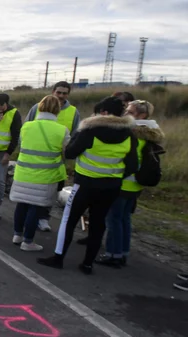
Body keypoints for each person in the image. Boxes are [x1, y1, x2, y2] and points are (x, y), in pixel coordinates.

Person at [38, 96, 138, 274]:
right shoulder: (129, 134)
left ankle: (59, 258)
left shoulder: (90, 130)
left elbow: (70, 152)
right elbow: (131, 166)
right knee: (98, 224)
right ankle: (88, 263)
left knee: (69, 221)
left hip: (84, 184)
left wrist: (77, 134)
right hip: (111, 187)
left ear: (104, 112)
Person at [97, 100, 164, 268]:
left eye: (130, 112)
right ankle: (123, 251)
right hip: (136, 185)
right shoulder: (149, 133)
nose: (126, 114)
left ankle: (113, 254)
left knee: (114, 219)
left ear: (142, 115)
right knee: (125, 219)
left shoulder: (133, 133)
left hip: (124, 182)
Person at [9, 95, 70, 251]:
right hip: (45, 175)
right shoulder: (62, 130)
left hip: (23, 172)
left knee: (21, 205)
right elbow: (67, 152)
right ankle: (28, 241)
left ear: (40, 108)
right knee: (35, 208)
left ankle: (17, 234)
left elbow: (23, 145)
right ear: (58, 110)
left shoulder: (27, 126)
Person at [26, 81, 81, 231]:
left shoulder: (73, 112)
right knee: (32, 189)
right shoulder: (36, 108)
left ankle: (43, 218)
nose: (61, 96)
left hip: (56, 159)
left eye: (65, 93)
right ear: (53, 92)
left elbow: (76, 135)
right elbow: (25, 129)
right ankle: (29, 216)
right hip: (33, 157)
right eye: (59, 92)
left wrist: (67, 154)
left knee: (51, 191)